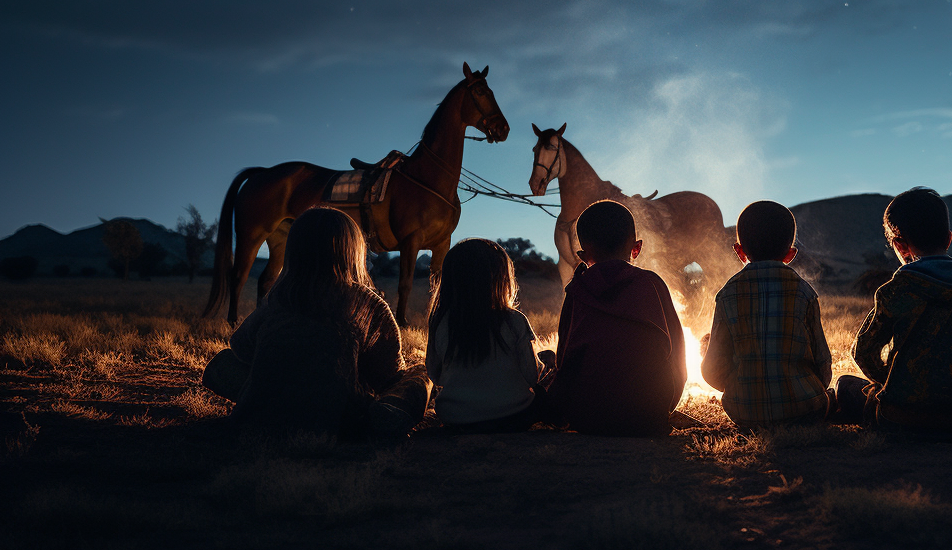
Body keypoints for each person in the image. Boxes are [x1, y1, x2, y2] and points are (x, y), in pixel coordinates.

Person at [201, 207, 429, 439]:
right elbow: (388, 375)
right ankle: (385, 418)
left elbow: (240, 346)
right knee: (421, 374)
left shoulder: (279, 296)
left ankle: (265, 401)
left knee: (226, 361)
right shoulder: (367, 302)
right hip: (340, 424)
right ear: (352, 252)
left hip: (259, 419)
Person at [843, 187, 952, 439]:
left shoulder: (894, 292)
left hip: (899, 418)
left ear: (900, 246)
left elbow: (863, 352)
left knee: (845, 385)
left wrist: (891, 381)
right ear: (948, 239)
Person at [544, 200, 687, 436]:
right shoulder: (651, 283)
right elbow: (678, 356)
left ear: (582, 255)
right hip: (648, 417)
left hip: (585, 418)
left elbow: (564, 360)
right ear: (636, 248)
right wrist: (664, 406)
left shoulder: (576, 291)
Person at [701, 201, 834, 429]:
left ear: (739, 250)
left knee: (705, 342)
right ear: (790, 254)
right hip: (806, 411)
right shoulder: (804, 291)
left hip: (743, 412)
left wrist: (739, 388)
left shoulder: (727, 293)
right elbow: (823, 363)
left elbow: (711, 370)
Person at [426, 238, 548, 432]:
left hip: (455, 416)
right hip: (515, 414)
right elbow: (532, 376)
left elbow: (435, 375)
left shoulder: (441, 322)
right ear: (501, 279)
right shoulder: (514, 320)